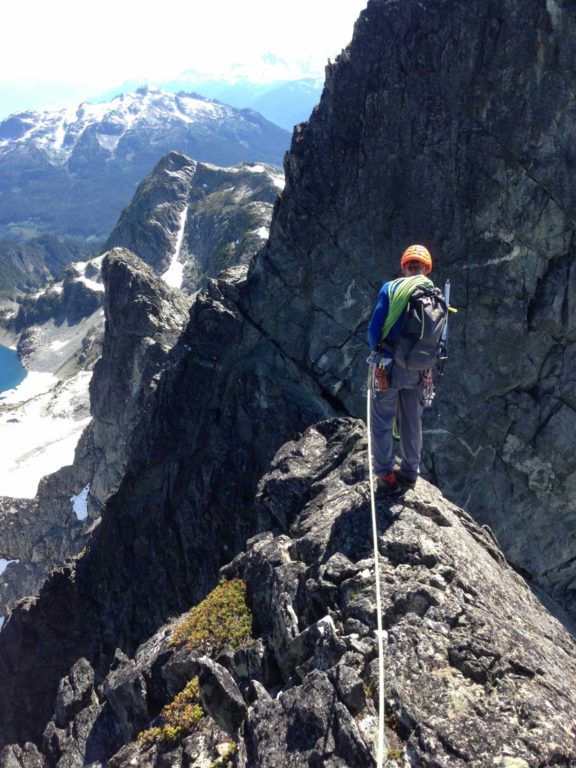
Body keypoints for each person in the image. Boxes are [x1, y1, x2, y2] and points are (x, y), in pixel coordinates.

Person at [367, 244, 434, 494]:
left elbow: (375, 329)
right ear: (426, 269)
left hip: (388, 366)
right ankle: (409, 473)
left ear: (404, 266)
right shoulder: (435, 295)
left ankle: (385, 474)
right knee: (411, 421)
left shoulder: (392, 288)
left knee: (382, 420)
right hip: (420, 369)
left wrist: (376, 350)